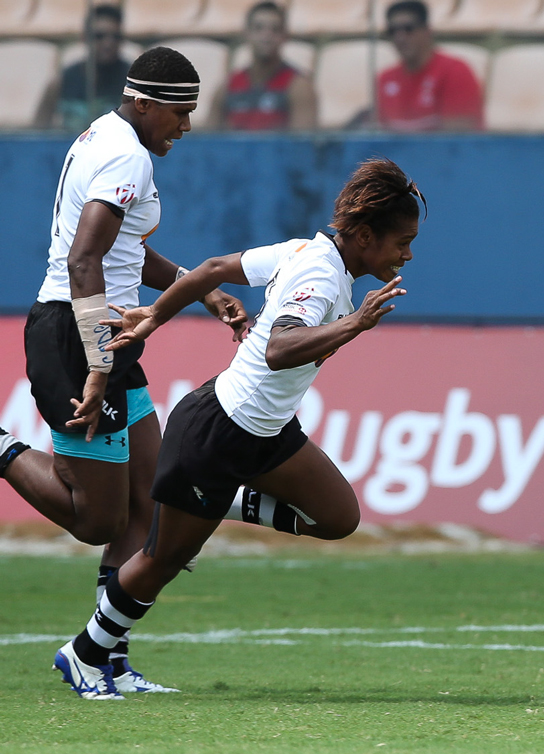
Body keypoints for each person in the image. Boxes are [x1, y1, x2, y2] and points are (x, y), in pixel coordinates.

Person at [50, 158, 422, 700]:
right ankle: (83, 653)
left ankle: (221, 503)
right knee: (162, 560)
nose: (408, 254)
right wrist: (354, 324)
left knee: (339, 516)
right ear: (364, 236)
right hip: (219, 433)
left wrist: (155, 315)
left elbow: (215, 267)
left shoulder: (308, 250)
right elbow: (277, 349)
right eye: (402, 241)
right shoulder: (318, 274)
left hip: (265, 432)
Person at [0, 46, 248, 695]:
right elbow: (85, 262)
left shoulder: (111, 138)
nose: (186, 126)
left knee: (150, 504)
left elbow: (124, 249)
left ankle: (105, 660)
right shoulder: (126, 154)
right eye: (179, 112)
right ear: (143, 102)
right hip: (76, 339)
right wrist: (98, 366)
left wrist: (201, 288)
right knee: (98, 521)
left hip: (98, 336)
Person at [363, 0, 483, 131]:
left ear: (427, 30)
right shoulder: (385, 78)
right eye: (393, 31)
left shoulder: (456, 72)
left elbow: (458, 141)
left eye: (408, 29)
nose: (400, 37)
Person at [209, 1, 317, 131]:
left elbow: (301, 145)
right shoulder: (228, 87)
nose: (266, 36)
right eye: (258, 28)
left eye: (275, 29)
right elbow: (209, 142)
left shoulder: (298, 87)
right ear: (246, 33)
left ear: (285, 36)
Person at [34, 4, 131, 130]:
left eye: (115, 37)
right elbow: (38, 132)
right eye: (99, 36)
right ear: (85, 38)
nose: (108, 43)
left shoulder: (133, 82)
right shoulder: (62, 81)